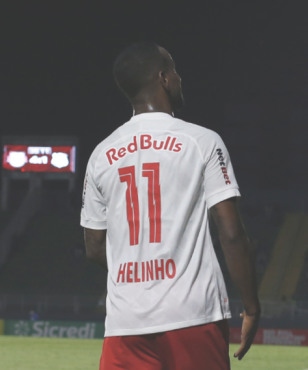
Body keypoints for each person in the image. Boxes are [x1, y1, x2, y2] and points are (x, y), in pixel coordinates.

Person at [81, 42, 260, 370]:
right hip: (193, 315)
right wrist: (251, 306)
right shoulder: (202, 141)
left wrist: (138, 274)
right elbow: (231, 233)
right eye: (175, 71)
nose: (179, 79)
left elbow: (94, 246)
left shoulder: (101, 155)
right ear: (163, 79)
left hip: (125, 323)